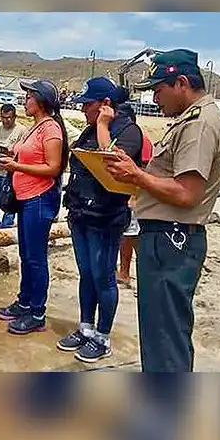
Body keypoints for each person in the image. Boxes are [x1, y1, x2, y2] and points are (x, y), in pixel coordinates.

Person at [103, 49, 220, 372]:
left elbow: (187, 193)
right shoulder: (189, 121)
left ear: (182, 83)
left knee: (165, 341)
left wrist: (137, 175)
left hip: (172, 242)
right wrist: (137, 172)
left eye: (158, 90)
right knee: (162, 336)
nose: (155, 98)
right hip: (167, 240)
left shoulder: (198, 125)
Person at [57, 77, 145, 363]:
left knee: (103, 276)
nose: (83, 110)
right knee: (87, 275)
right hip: (82, 213)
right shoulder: (89, 130)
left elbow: (112, 166)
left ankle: (102, 337)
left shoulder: (129, 132)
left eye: (88, 105)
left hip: (106, 217)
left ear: (105, 105)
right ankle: (86, 328)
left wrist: (104, 125)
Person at [0, 79, 68, 335]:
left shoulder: (51, 129)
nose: (24, 100)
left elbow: (53, 168)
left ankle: (37, 312)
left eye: (28, 97)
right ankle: (24, 301)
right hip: (26, 198)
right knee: (26, 254)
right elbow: (26, 153)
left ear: (41, 101)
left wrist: (17, 167)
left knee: (36, 258)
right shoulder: (36, 128)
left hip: (40, 198)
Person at [117, 132, 154, 289]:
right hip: (127, 196)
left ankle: (130, 275)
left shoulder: (140, 141)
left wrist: (135, 195)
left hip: (136, 197)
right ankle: (125, 273)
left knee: (132, 237)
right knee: (127, 236)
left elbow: (145, 169)